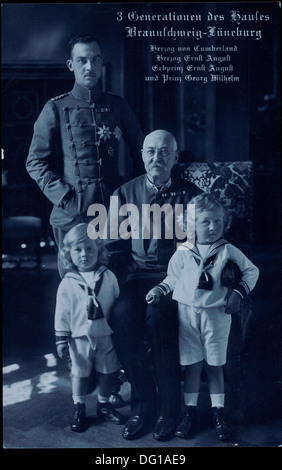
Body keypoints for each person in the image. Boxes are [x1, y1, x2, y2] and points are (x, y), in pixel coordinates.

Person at [104, 129, 202, 441]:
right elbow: (114, 248)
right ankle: (143, 407)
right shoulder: (124, 193)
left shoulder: (192, 195)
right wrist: (112, 286)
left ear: (175, 157)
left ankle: (169, 411)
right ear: (142, 155)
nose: (156, 157)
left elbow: (202, 248)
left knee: (160, 315)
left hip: (177, 278)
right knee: (120, 314)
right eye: (150, 151)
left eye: (164, 152)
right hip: (139, 276)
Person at [26, 34, 144, 275]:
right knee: (76, 290)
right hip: (72, 213)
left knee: (114, 284)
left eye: (95, 60)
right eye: (82, 61)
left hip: (113, 212)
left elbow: (142, 153)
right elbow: (35, 161)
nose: (89, 67)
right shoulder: (55, 108)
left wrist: (130, 194)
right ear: (71, 65)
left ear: (101, 63)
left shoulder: (117, 106)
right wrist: (65, 197)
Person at [146, 193, 259, 441]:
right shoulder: (184, 252)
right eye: (206, 222)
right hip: (187, 315)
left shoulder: (227, 250)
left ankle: (219, 413)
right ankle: (190, 412)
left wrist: (238, 293)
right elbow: (173, 278)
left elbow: (252, 271)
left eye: (218, 221)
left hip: (216, 315)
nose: (213, 227)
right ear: (191, 226)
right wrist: (159, 290)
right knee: (193, 366)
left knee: (215, 365)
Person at [54, 223, 125, 432]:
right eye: (78, 249)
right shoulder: (67, 283)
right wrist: (61, 339)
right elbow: (61, 313)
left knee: (107, 372)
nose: (84, 254)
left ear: (99, 251)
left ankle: (103, 405)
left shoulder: (108, 277)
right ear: (68, 253)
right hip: (79, 338)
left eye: (90, 249)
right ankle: (80, 407)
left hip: (105, 336)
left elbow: (116, 305)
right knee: (79, 373)